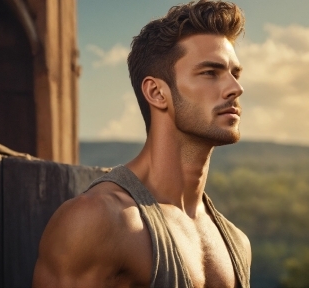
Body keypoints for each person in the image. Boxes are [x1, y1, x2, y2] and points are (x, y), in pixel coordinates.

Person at [32, 0, 251, 287]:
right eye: (210, 73)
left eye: (234, 73)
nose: (236, 88)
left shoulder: (236, 242)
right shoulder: (97, 221)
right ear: (157, 93)